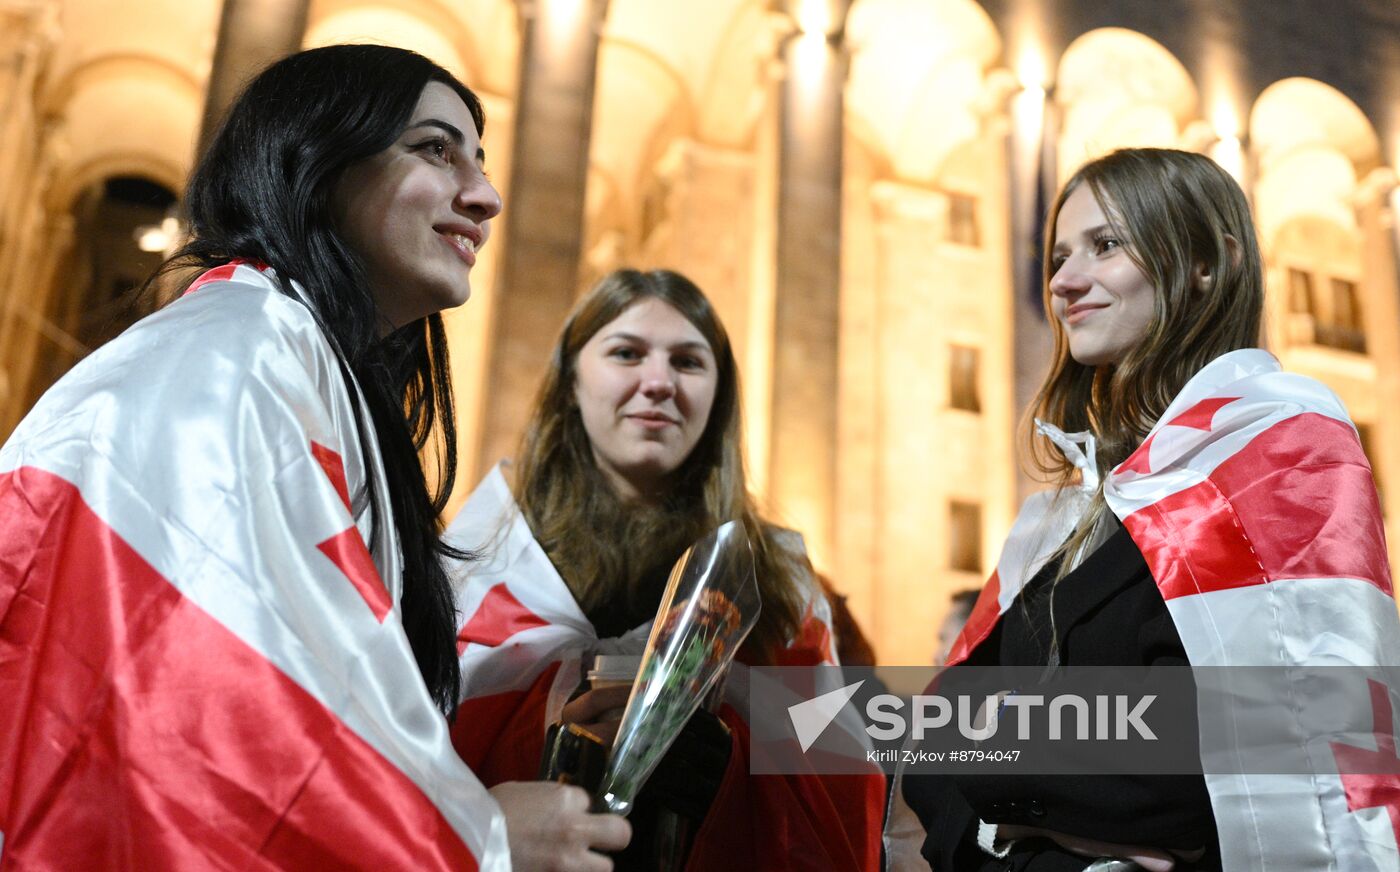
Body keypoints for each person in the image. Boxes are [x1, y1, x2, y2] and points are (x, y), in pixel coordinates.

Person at [0, 44, 628, 870]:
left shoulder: (783, 588)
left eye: (690, 363)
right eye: (437, 149)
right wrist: (478, 837)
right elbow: (212, 727)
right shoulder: (231, 367)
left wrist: (726, 700)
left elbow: (844, 757)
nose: (488, 195)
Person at [898, 148, 1399, 871]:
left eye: (1105, 246)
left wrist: (1003, 772)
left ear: (1207, 263)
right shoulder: (1066, 515)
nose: (1064, 281)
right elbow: (930, 746)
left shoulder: (1283, 447)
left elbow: (1259, 755)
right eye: (1060, 255)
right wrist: (1030, 847)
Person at [445, 268, 885, 869]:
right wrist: (558, 729)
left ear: (719, 395)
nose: (658, 382)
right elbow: (419, 756)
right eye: (626, 353)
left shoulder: (778, 581)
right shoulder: (484, 556)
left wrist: (727, 765)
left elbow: (840, 784)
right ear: (571, 379)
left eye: (688, 361)